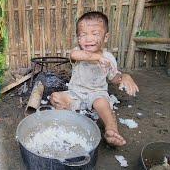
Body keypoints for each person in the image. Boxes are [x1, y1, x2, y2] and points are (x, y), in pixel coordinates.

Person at [50, 11, 139, 147]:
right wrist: (97, 58)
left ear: (106, 37)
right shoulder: (77, 53)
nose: (89, 39)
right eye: (83, 35)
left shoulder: (108, 58)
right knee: (55, 97)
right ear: (78, 39)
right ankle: (70, 118)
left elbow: (114, 77)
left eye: (95, 33)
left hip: (97, 94)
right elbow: (76, 55)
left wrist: (125, 77)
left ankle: (111, 131)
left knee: (103, 105)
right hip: (75, 94)